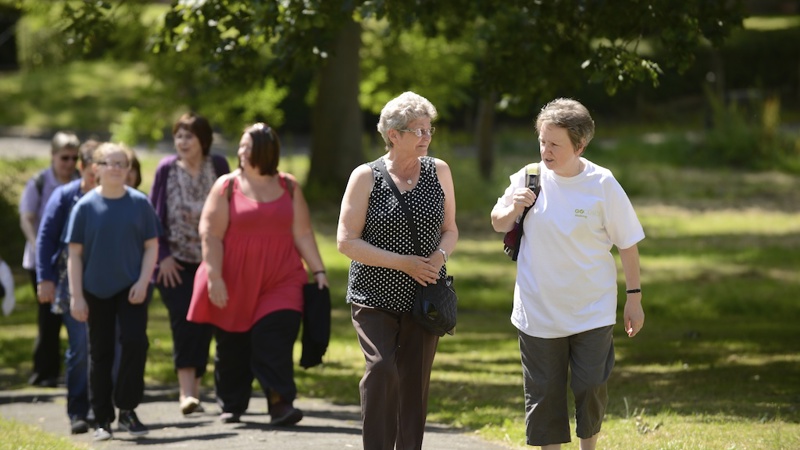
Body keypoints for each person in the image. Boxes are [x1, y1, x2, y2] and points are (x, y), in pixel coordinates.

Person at [490, 98, 645, 450]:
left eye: (555, 144)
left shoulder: (602, 183)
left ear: (580, 144)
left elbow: (628, 244)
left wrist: (634, 298)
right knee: (544, 394)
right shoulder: (528, 176)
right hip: (537, 309)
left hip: (591, 308)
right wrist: (515, 204)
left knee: (590, 384)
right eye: (542, 141)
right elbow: (498, 222)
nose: (546, 150)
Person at [336, 91, 458, 449]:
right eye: (418, 130)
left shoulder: (439, 171)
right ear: (394, 134)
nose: (426, 137)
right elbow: (346, 241)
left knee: (414, 384)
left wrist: (439, 256)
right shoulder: (366, 176)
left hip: (424, 297)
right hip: (374, 295)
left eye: (428, 129)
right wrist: (403, 263)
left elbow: (451, 229)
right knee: (381, 371)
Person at [188, 122, 327, 427]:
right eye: (240, 145)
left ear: (265, 151)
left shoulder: (288, 186)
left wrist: (317, 269)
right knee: (232, 344)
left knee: (273, 338)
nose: (240, 152)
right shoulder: (227, 186)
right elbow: (210, 233)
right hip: (235, 277)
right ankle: (232, 403)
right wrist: (214, 276)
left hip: (282, 278)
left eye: (247, 147)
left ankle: (281, 403)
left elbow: (302, 232)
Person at [66, 142, 161, 441]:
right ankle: (103, 420)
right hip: (95, 289)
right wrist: (76, 296)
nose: (118, 168)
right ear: (97, 169)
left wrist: (143, 281)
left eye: (123, 164)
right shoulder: (84, 207)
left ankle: (128, 409)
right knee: (101, 353)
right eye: (111, 163)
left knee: (135, 343)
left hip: (130, 287)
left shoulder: (139, 203)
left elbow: (151, 246)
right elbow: (74, 255)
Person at [149, 113, 230, 415]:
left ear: (203, 140)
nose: (182, 142)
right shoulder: (166, 168)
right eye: (178, 136)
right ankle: (187, 392)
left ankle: (195, 390)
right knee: (184, 323)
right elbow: (153, 216)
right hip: (175, 263)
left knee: (205, 323)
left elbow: (231, 208)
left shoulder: (218, 166)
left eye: (189, 136)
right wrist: (163, 256)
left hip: (211, 261)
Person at [35, 139, 99, 434]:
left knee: (106, 346)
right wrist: (44, 278)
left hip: (105, 284)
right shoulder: (64, 196)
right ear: (82, 167)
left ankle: (103, 406)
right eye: (93, 171)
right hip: (69, 283)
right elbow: (45, 237)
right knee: (80, 346)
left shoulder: (113, 196)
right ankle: (78, 409)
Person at [19, 131, 81, 387]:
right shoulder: (40, 183)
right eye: (64, 157)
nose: (69, 163)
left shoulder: (81, 181)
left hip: (72, 260)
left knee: (74, 315)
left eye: (74, 158)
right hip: (43, 261)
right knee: (48, 318)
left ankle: (73, 371)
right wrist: (38, 247)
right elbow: (27, 217)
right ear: (53, 156)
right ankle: (45, 372)